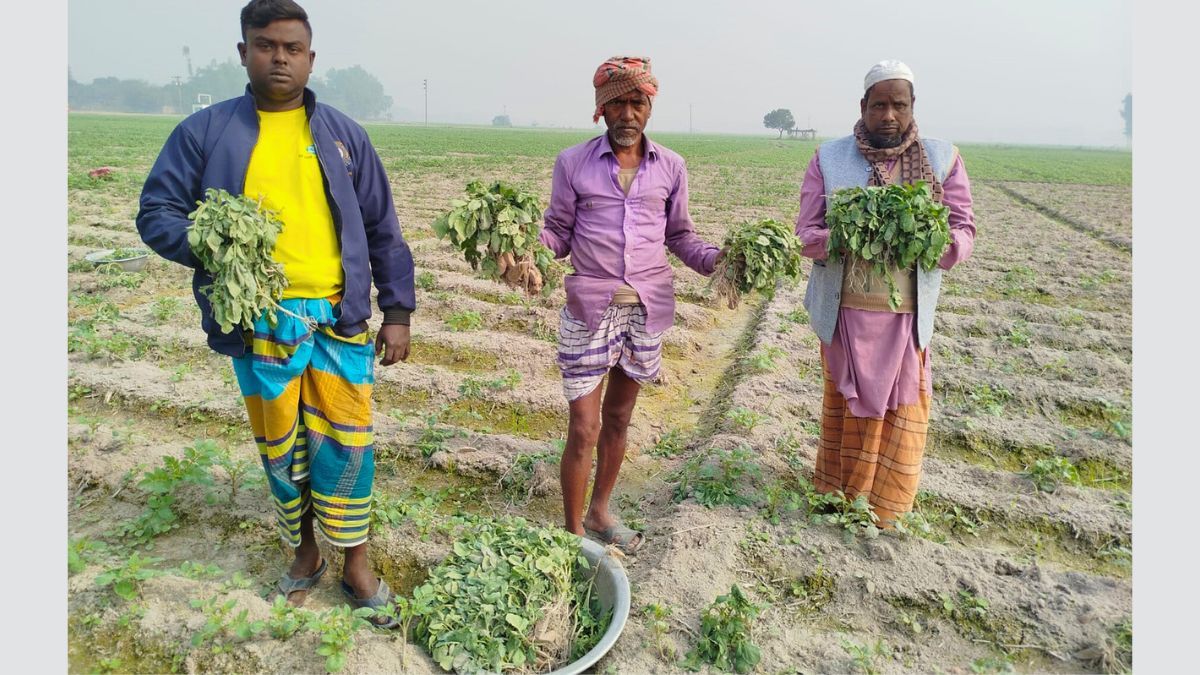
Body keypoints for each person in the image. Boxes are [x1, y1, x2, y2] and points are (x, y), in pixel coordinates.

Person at [136, 0, 415, 623]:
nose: (279, 57)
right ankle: (305, 552)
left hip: (339, 320)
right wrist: (214, 243)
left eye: (292, 48)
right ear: (243, 53)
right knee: (281, 448)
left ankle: (357, 564)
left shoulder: (344, 136)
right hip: (260, 322)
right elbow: (156, 213)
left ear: (311, 58)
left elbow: (382, 228)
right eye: (265, 45)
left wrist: (396, 310)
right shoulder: (205, 132)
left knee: (347, 443)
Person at [538, 56, 726, 553]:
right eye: (617, 103)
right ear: (601, 109)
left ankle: (600, 511)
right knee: (584, 426)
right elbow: (557, 230)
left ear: (649, 108)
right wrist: (527, 248)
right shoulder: (572, 162)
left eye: (636, 103)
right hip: (589, 309)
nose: (627, 113)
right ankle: (573, 532)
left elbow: (681, 235)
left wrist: (717, 261)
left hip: (646, 310)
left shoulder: (671, 166)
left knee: (619, 419)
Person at [795, 59, 976, 528]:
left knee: (903, 412)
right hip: (845, 314)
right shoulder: (829, 159)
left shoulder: (943, 159)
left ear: (913, 107)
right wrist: (842, 234)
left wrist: (937, 242)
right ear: (863, 107)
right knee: (845, 411)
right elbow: (806, 232)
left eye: (899, 105)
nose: (889, 116)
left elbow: (963, 229)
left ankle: (887, 508)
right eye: (879, 105)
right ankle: (837, 498)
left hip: (906, 318)